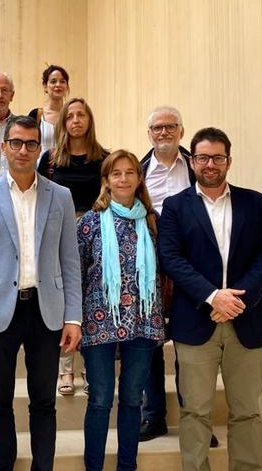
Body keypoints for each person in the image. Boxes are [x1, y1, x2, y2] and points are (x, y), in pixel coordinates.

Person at [0, 115, 82, 471]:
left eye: (32, 144)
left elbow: (70, 261)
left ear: (39, 148)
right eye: (16, 142)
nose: (24, 150)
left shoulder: (60, 196)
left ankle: (41, 467)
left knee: (43, 401)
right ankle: (4, 465)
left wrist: (72, 317)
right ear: (4, 147)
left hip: (46, 311)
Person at [158, 127, 262, 471]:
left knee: (246, 411)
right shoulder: (175, 207)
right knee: (195, 411)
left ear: (229, 161)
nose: (210, 164)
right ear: (192, 160)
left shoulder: (255, 203)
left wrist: (238, 300)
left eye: (217, 157)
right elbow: (171, 257)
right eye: (203, 157)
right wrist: (212, 297)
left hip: (247, 320)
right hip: (196, 322)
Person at [77, 150, 166, 471]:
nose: (124, 179)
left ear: (139, 179)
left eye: (130, 173)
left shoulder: (153, 223)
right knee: (100, 400)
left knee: (132, 399)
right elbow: (78, 273)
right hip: (98, 324)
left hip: (143, 323)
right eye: (116, 173)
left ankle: (126, 466)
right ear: (106, 181)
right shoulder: (89, 223)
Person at [37, 97, 108, 395]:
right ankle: (65, 371)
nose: (76, 120)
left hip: (97, 232)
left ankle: (92, 372)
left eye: (82, 115)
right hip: (59, 232)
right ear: (63, 122)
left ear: (90, 121)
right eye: (71, 116)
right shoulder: (50, 159)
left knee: (92, 301)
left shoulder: (104, 157)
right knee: (64, 299)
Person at [138, 105, 194, 440]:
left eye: (170, 126)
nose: (164, 132)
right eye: (157, 127)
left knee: (189, 341)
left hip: (191, 263)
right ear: (149, 134)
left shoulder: (196, 164)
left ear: (181, 131)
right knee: (151, 339)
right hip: (151, 264)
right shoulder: (139, 169)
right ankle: (153, 416)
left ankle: (194, 420)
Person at [27, 64, 69, 155]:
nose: (58, 85)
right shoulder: (36, 115)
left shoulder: (72, 116)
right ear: (45, 85)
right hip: (40, 168)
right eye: (53, 81)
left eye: (62, 81)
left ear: (67, 86)